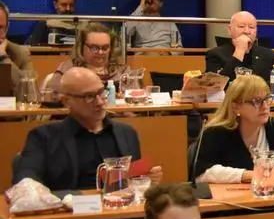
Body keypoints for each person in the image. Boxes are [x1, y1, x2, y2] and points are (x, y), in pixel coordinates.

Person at [14, 67, 163, 190]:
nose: (99, 102)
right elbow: (25, 184)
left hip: (119, 210)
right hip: (70, 214)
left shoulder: (127, 133)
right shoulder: (43, 137)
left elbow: (133, 184)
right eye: (89, 96)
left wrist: (147, 180)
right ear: (66, 101)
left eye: (101, 92)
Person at [191, 75, 274, 183]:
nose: (265, 106)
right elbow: (202, 174)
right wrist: (249, 175)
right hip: (231, 201)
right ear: (235, 107)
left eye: (267, 99)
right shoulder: (215, 132)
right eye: (257, 101)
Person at [45, 22, 131, 99]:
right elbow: (53, 95)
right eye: (94, 48)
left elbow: (134, 98)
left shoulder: (123, 71)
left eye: (105, 48)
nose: (100, 52)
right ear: (81, 47)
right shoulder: (68, 68)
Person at [204, 11, 274, 84]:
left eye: (251, 27)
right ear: (230, 30)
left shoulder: (269, 55)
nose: (246, 31)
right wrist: (239, 51)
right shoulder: (215, 55)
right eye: (241, 26)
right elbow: (216, 87)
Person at [0, 0, 35, 90]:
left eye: (0, 27)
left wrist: (3, 58)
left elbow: (29, 91)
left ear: (6, 29)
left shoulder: (20, 54)